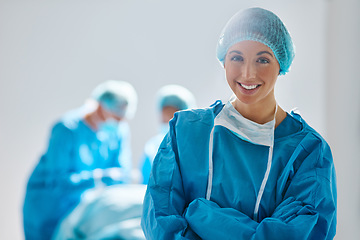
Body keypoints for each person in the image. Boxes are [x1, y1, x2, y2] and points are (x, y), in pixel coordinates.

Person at [141, 7, 337, 240]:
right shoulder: (185, 132)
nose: (248, 73)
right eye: (237, 57)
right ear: (224, 61)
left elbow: (298, 234)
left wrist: (203, 215)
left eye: (263, 59)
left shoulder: (307, 152)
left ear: (280, 64)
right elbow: (160, 221)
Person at [23, 80, 138, 240]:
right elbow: (58, 181)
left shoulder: (118, 131)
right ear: (100, 107)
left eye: (123, 117)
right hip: (48, 208)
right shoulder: (66, 129)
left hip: (80, 209)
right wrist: (99, 177)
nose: (119, 122)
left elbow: (121, 173)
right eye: (116, 116)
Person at [139, 84, 196, 184]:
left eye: (173, 115)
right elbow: (146, 182)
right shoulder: (153, 145)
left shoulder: (194, 145)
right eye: (165, 115)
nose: (168, 120)